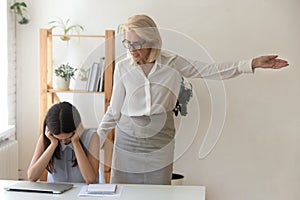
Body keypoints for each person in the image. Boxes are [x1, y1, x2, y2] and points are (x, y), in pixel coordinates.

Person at [97, 14, 289, 185]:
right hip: (127, 141)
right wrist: (97, 138)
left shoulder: (172, 63)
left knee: (158, 195)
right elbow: (114, 111)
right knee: (122, 193)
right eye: (127, 43)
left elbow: (210, 71)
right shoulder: (122, 68)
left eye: (137, 44)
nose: (131, 49)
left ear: (151, 42)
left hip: (160, 140)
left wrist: (250, 64)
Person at [27, 102, 100, 184]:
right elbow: (32, 177)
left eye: (68, 138)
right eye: (60, 139)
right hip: (56, 195)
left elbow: (90, 180)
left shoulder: (92, 137)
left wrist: (75, 142)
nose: (64, 141)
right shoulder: (47, 138)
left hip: (82, 194)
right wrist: (53, 145)